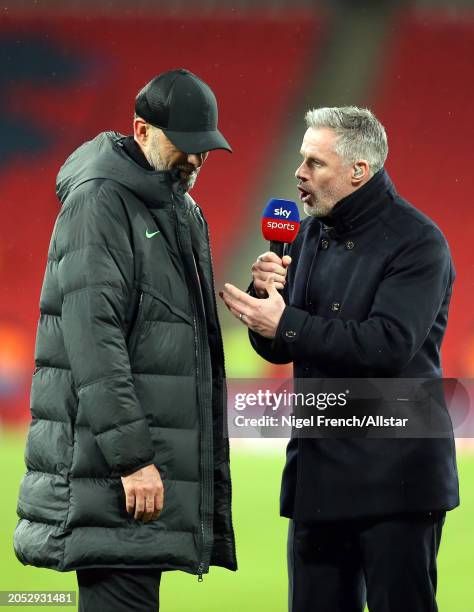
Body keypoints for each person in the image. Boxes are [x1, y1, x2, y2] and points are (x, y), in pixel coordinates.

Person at [14, 68, 237, 612]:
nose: (196, 160)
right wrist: (132, 459)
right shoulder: (100, 202)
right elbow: (95, 339)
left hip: (136, 473)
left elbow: (168, 330)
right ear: (141, 130)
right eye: (184, 146)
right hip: (112, 476)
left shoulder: (175, 206)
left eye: (205, 149)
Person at [221, 106, 459, 612]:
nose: (298, 173)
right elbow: (283, 345)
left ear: (358, 171)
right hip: (319, 476)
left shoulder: (418, 243)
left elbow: (387, 344)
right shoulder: (306, 235)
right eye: (300, 159)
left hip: (397, 481)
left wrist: (285, 323)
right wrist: (268, 306)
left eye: (314, 163)